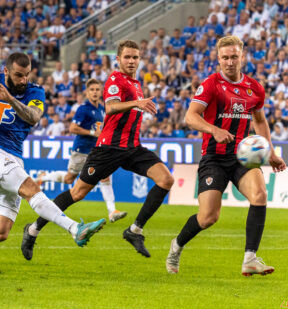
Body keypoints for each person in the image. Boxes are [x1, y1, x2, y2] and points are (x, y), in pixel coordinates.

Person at [0, 52, 106, 273]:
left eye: (26, 75)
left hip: (13, 156)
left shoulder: (35, 91)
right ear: (6, 71)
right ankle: (75, 229)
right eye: (18, 75)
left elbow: (34, 117)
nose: (23, 80)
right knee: (31, 188)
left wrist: (10, 99)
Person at [21, 40, 174, 259]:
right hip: (108, 149)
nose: (131, 61)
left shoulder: (136, 84)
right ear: (118, 59)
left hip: (132, 147)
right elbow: (110, 108)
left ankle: (134, 231)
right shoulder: (115, 80)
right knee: (77, 193)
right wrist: (136, 103)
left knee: (166, 179)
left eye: (135, 57)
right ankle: (33, 230)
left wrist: (138, 104)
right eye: (127, 57)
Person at [165, 36, 286, 276]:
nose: (230, 62)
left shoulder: (254, 88)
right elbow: (191, 117)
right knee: (209, 217)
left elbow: (260, 121)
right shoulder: (211, 84)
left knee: (260, 194)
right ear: (218, 58)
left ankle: (250, 258)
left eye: (234, 57)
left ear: (242, 56)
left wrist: (270, 151)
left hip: (242, 156)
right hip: (214, 157)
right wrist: (214, 130)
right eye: (225, 58)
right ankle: (176, 246)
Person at [32, 78, 127, 227]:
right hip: (81, 150)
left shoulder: (102, 109)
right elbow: (72, 128)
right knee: (70, 178)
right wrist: (91, 132)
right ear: (87, 92)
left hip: (95, 150)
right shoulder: (83, 109)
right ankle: (44, 177)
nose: (95, 92)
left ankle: (112, 211)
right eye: (92, 90)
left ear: (101, 92)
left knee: (105, 177)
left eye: (97, 89)